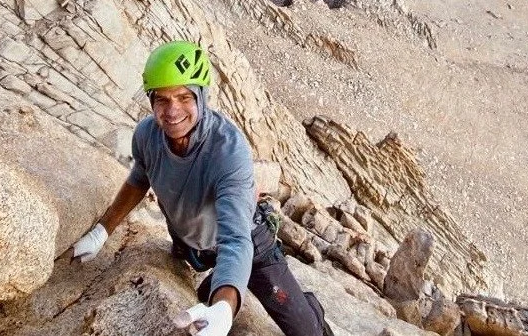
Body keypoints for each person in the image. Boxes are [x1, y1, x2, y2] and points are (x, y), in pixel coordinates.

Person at [73, 40, 333, 336]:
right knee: (208, 287)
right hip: (195, 248)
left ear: (201, 96)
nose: (172, 111)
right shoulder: (147, 135)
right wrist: (101, 232)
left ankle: (308, 308)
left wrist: (223, 308)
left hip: (250, 244)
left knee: (307, 331)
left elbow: (236, 240)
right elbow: (139, 179)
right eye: (162, 99)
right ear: (151, 101)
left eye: (184, 97)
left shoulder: (227, 151)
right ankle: (222, 279)